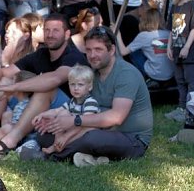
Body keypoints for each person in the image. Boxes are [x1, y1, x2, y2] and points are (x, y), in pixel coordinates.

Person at [0, 12, 86, 157]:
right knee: (6, 80)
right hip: (38, 109)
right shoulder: (41, 54)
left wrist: (12, 88)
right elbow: (5, 72)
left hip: (68, 110)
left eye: (55, 30)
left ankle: (9, 141)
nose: (50, 34)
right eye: (47, 30)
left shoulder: (73, 56)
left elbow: (54, 79)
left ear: (66, 34)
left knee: (45, 88)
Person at [34, 25, 153, 166]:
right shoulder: (92, 73)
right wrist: (56, 118)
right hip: (96, 129)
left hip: (131, 138)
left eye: (98, 49)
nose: (92, 55)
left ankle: (53, 155)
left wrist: (74, 121)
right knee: (44, 134)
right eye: (88, 50)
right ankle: (87, 157)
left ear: (112, 50)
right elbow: (79, 106)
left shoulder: (126, 74)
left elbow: (116, 118)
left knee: (92, 139)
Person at [38, 64, 100, 157]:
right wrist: (42, 114)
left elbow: (85, 123)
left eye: (80, 85)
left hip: (84, 130)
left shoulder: (90, 102)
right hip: (73, 130)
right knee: (63, 112)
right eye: (72, 84)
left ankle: (60, 146)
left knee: (88, 127)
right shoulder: (72, 101)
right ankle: (58, 143)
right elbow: (57, 111)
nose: (76, 88)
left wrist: (65, 137)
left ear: (90, 87)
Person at [166, 0, 194, 122]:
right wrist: (169, 46)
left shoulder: (193, 5)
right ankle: (181, 107)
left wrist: (187, 47)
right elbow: (172, 30)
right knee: (179, 80)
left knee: (190, 81)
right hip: (176, 49)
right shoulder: (175, 6)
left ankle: (191, 110)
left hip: (190, 51)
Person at [116, 7, 174, 86]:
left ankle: (145, 78)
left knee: (135, 52)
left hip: (154, 74)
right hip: (170, 74)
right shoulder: (168, 33)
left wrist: (118, 35)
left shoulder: (144, 36)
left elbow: (123, 52)